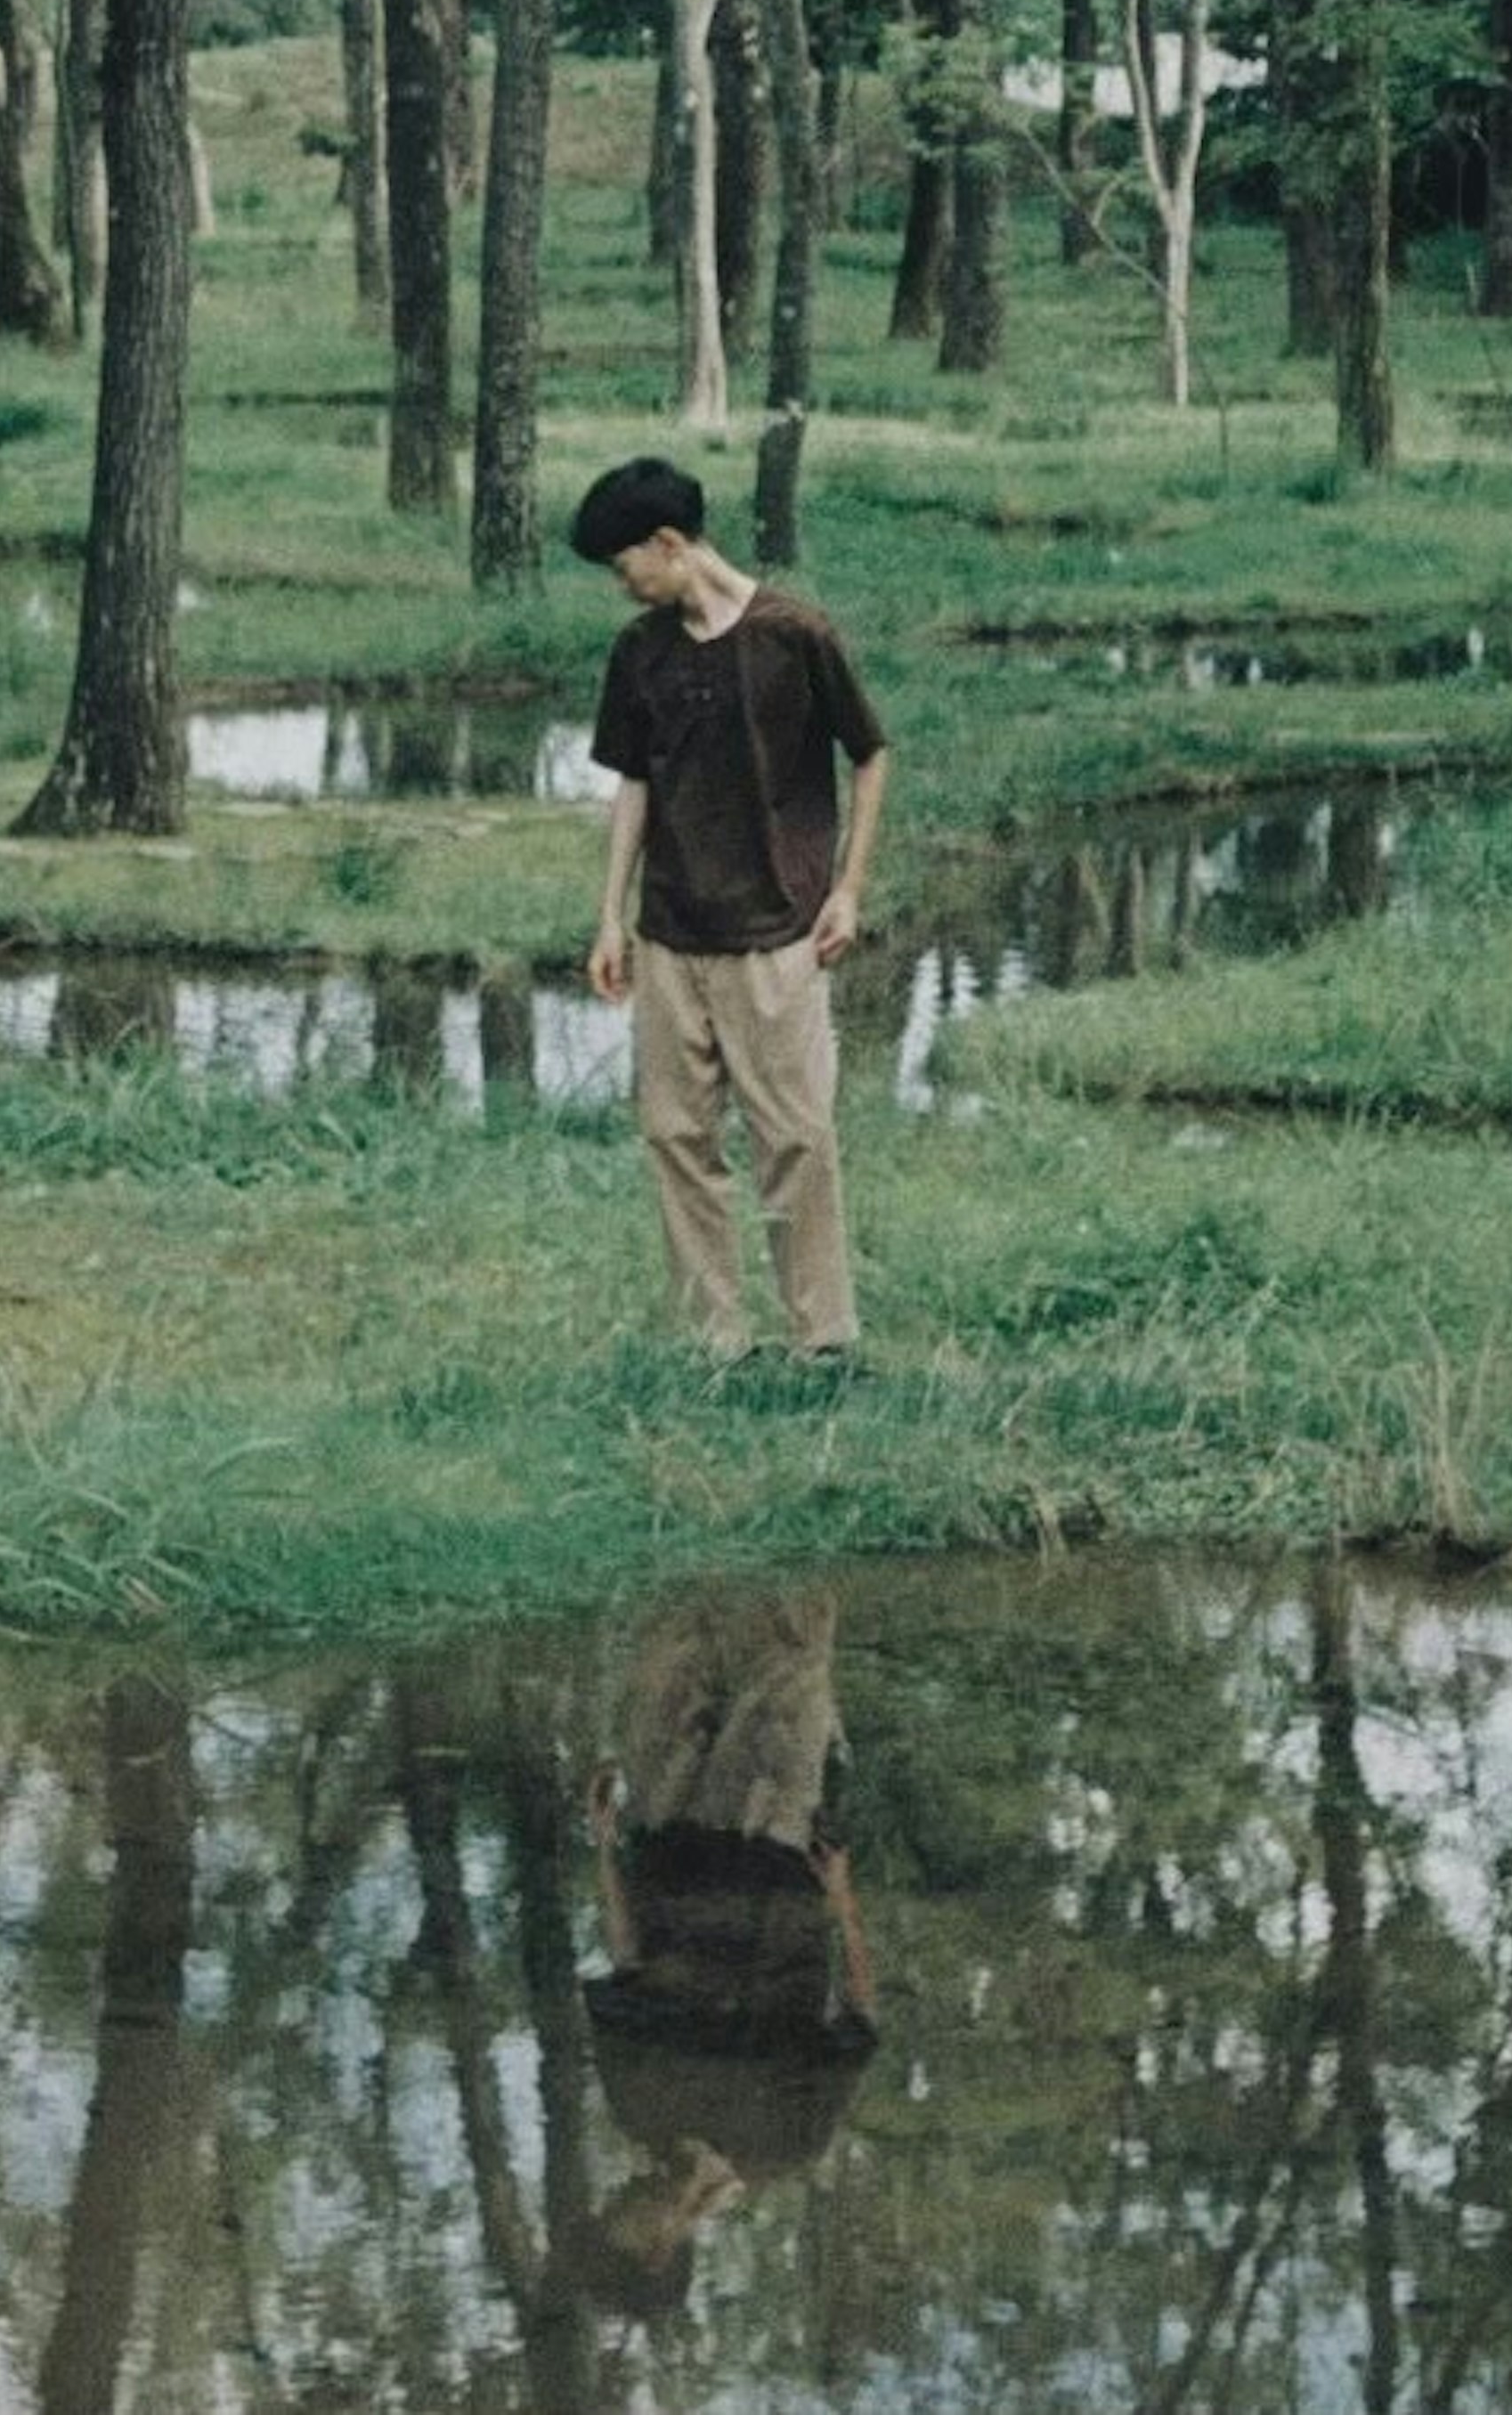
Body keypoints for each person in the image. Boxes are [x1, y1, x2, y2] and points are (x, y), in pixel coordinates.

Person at [573, 456, 888, 1362]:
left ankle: (821, 1342)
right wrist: (610, 915)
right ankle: (712, 1341)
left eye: (626, 565)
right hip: (671, 936)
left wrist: (848, 889)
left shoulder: (796, 635)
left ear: (669, 544)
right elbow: (634, 783)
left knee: (795, 1137)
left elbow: (869, 755)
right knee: (677, 1136)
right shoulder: (640, 653)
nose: (623, 585)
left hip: (776, 935)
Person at [559, 1586, 879, 2324]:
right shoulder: (786, 2142)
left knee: (667, 1648)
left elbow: (628, 1956)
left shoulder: (635, 2105)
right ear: (661, 2250)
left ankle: (679, 1512)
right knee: (791, 1659)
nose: (620, 2199)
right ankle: (789, 1520)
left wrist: (604, 1845)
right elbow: (860, 2017)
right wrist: (842, 1897)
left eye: (608, 2209)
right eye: (625, 2222)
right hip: (775, 1843)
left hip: (667, 1836)